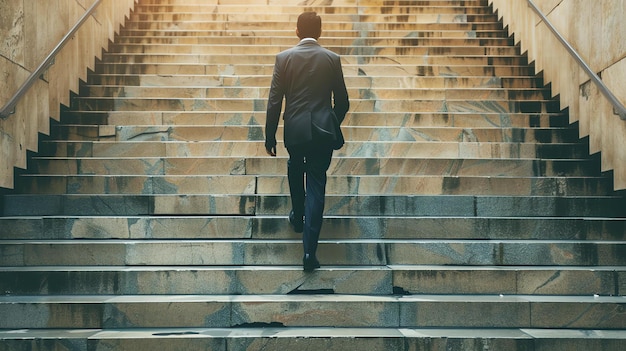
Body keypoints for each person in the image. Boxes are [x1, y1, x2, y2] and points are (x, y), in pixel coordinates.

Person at [264, 11, 350, 272]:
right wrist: (329, 120)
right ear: (320, 32)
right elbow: (343, 102)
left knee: (294, 164)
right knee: (316, 184)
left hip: (295, 130)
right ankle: (309, 251)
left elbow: (275, 100)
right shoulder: (332, 59)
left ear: (297, 31)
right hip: (322, 132)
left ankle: (297, 215)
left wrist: (270, 134)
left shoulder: (284, 59)